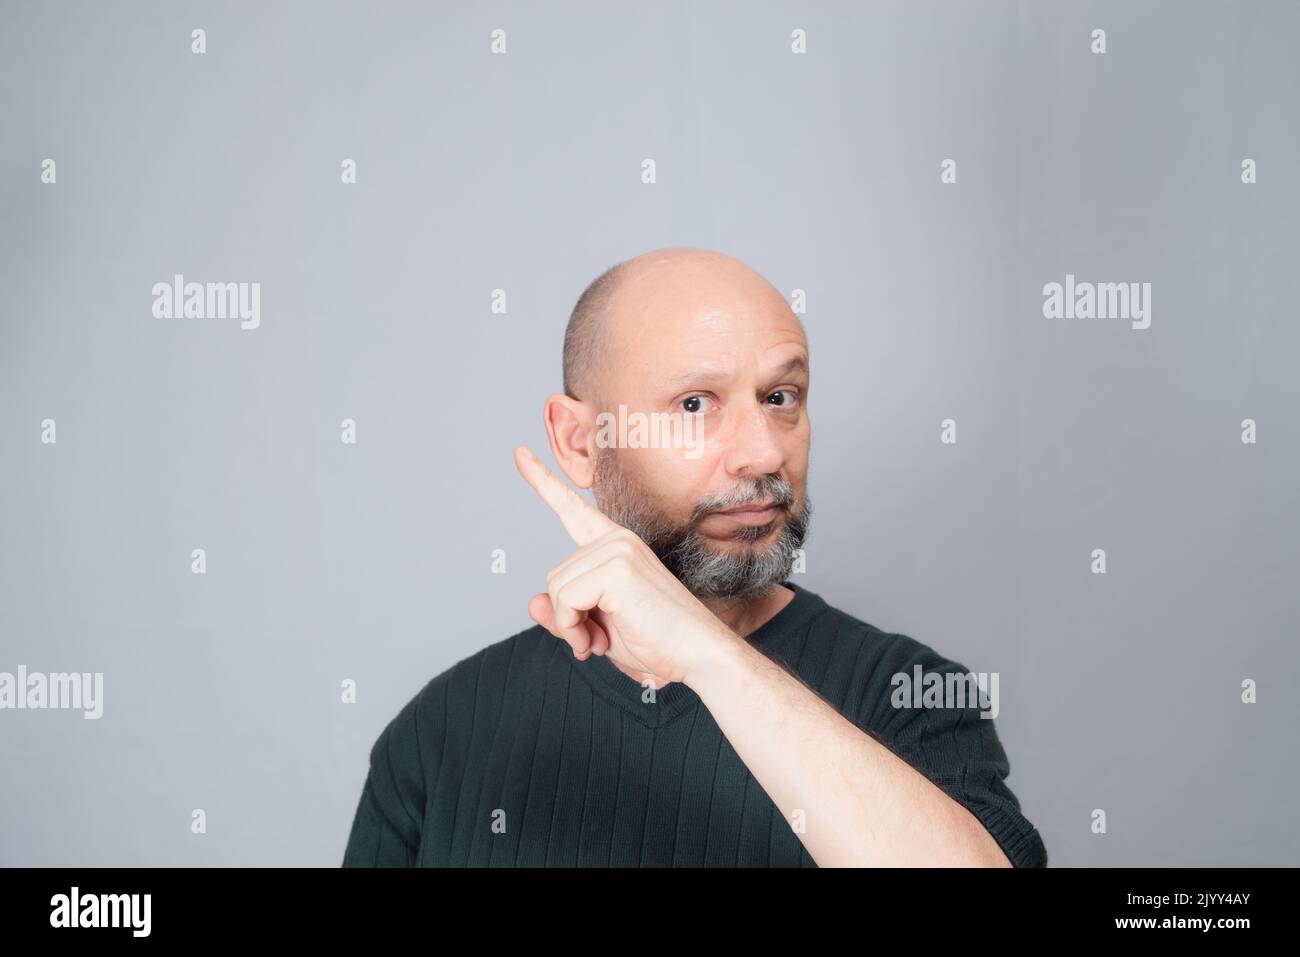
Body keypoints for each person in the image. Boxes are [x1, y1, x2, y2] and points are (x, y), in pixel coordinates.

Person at [342, 247, 1047, 867]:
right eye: (693, 404)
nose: (765, 452)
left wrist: (706, 655)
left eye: (780, 397)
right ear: (581, 442)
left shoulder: (910, 695)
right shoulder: (440, 735)